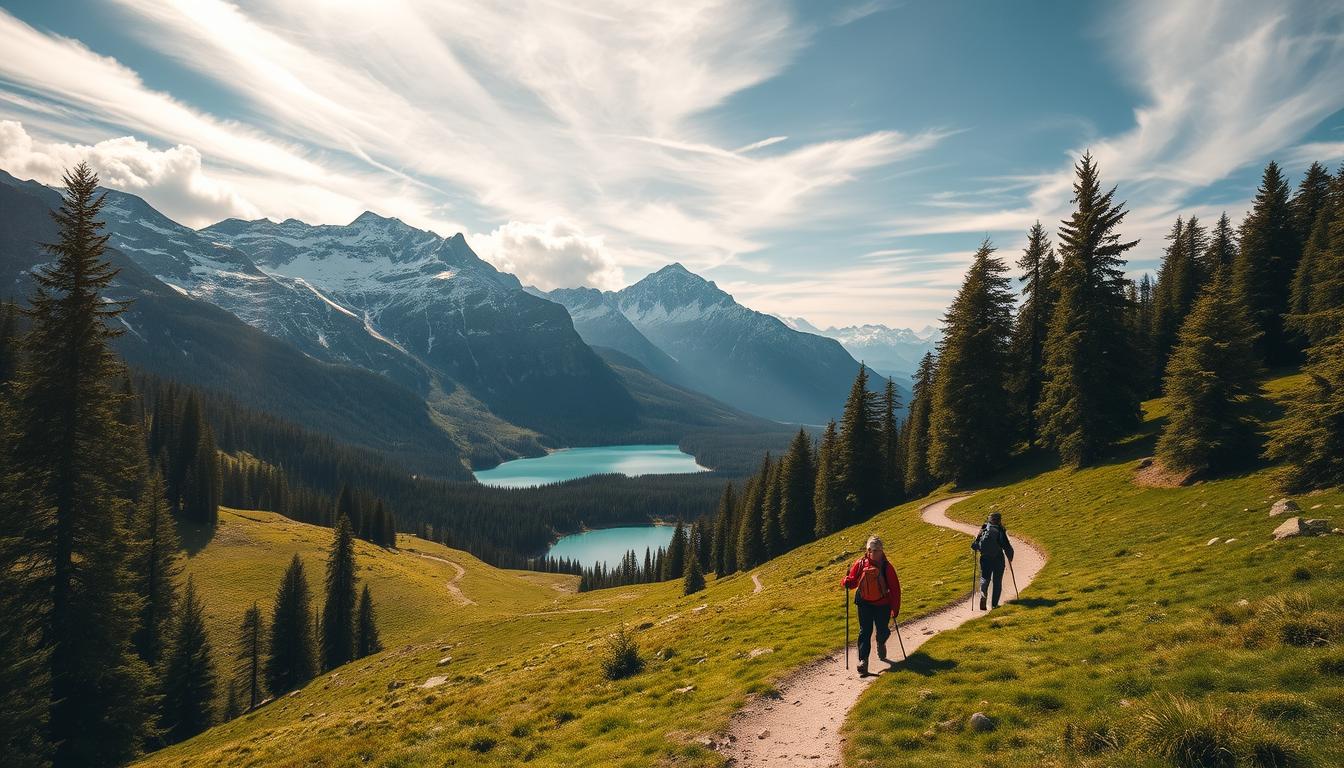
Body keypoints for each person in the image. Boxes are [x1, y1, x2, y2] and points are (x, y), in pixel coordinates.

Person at [842, 535, 901, 676]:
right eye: (870, 549)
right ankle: (863, 662)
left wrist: (895, 609)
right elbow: (853, 581)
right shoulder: (861, 563)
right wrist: (846, 582)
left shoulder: (887, 567)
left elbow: (895, 590)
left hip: (883, 604)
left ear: (881, 550)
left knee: (882, 630)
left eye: (876, 550)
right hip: (863, 602)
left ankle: (881, 641)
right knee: (865, 631)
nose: (873, 552)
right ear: (867, 550)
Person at [972, 511, 1014, 610]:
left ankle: (983, 594)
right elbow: (1006, 545)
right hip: (998, 558)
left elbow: (975, 544)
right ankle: (994, 605)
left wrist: (979, 548)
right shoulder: (1000, 530)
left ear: (989, 519)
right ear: (999, 520)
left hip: (985, 558)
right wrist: (1010, 556)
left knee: (985, 578)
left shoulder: (984, 528)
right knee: (997, 581)